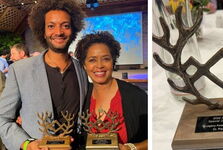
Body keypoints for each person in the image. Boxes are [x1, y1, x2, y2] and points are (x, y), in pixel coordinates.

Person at [0, 0, 87, 149]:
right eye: (51, 26)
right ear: (43, 31)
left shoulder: (82, 69)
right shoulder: (20, 70)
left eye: (65, 25)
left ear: (73, 29)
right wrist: (27, 144)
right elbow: (3, 119)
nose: (58, 32)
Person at [75, 31, 148, 150]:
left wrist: (132, 147)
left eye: (105, 59)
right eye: (92, 60)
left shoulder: (136, 96)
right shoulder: (81, 96)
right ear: (84, 65)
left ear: (113, 62)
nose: (99, 65)